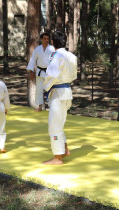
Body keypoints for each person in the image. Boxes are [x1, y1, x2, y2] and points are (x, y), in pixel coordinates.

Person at [42, 30, 77, 165]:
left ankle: (57, 157)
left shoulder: (56, 55)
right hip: (67, 91)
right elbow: (74, 76)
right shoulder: (72, 56)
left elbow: (51, 74)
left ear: (52, 42)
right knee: (59, 123)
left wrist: (45, 87)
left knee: (54, 126)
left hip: (58, 92)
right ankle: (65, 149)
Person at [26, 33, 55, 111]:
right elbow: (33, 60)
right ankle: (39, 107)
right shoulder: (37, 49)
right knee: (39, 89)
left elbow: (55, 61)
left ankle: (51, 106)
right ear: (41, 39)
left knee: (50, 89)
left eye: (47, 39)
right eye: (44, 39)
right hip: (40, 71)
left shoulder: (52, 49)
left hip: (49, 71)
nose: (46, 40)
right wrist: (31, 71)